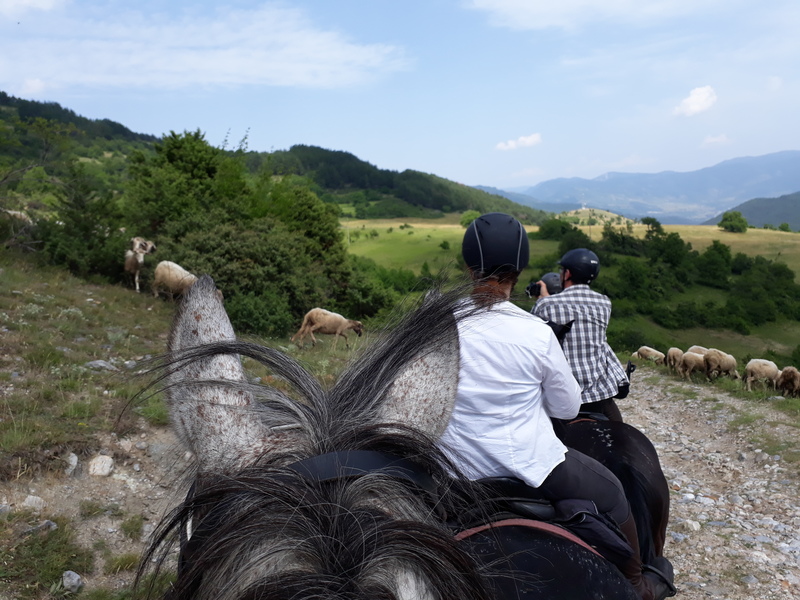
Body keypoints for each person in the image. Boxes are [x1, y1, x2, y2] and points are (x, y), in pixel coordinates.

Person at [438, 213, 671, 600]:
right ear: (520, 269)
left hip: (450, 470)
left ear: (467, 266)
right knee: (614, 492)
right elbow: (566, 408)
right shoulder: (534, 331)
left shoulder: (439, 322)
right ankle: (638, 585)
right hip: (532, 467)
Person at [531, 248, 629, 422]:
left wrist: (544, 298)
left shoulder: (546, 305)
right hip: (597, 395)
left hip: (562, 397)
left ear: (567, 274)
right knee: (620, 431)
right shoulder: (604, 302)